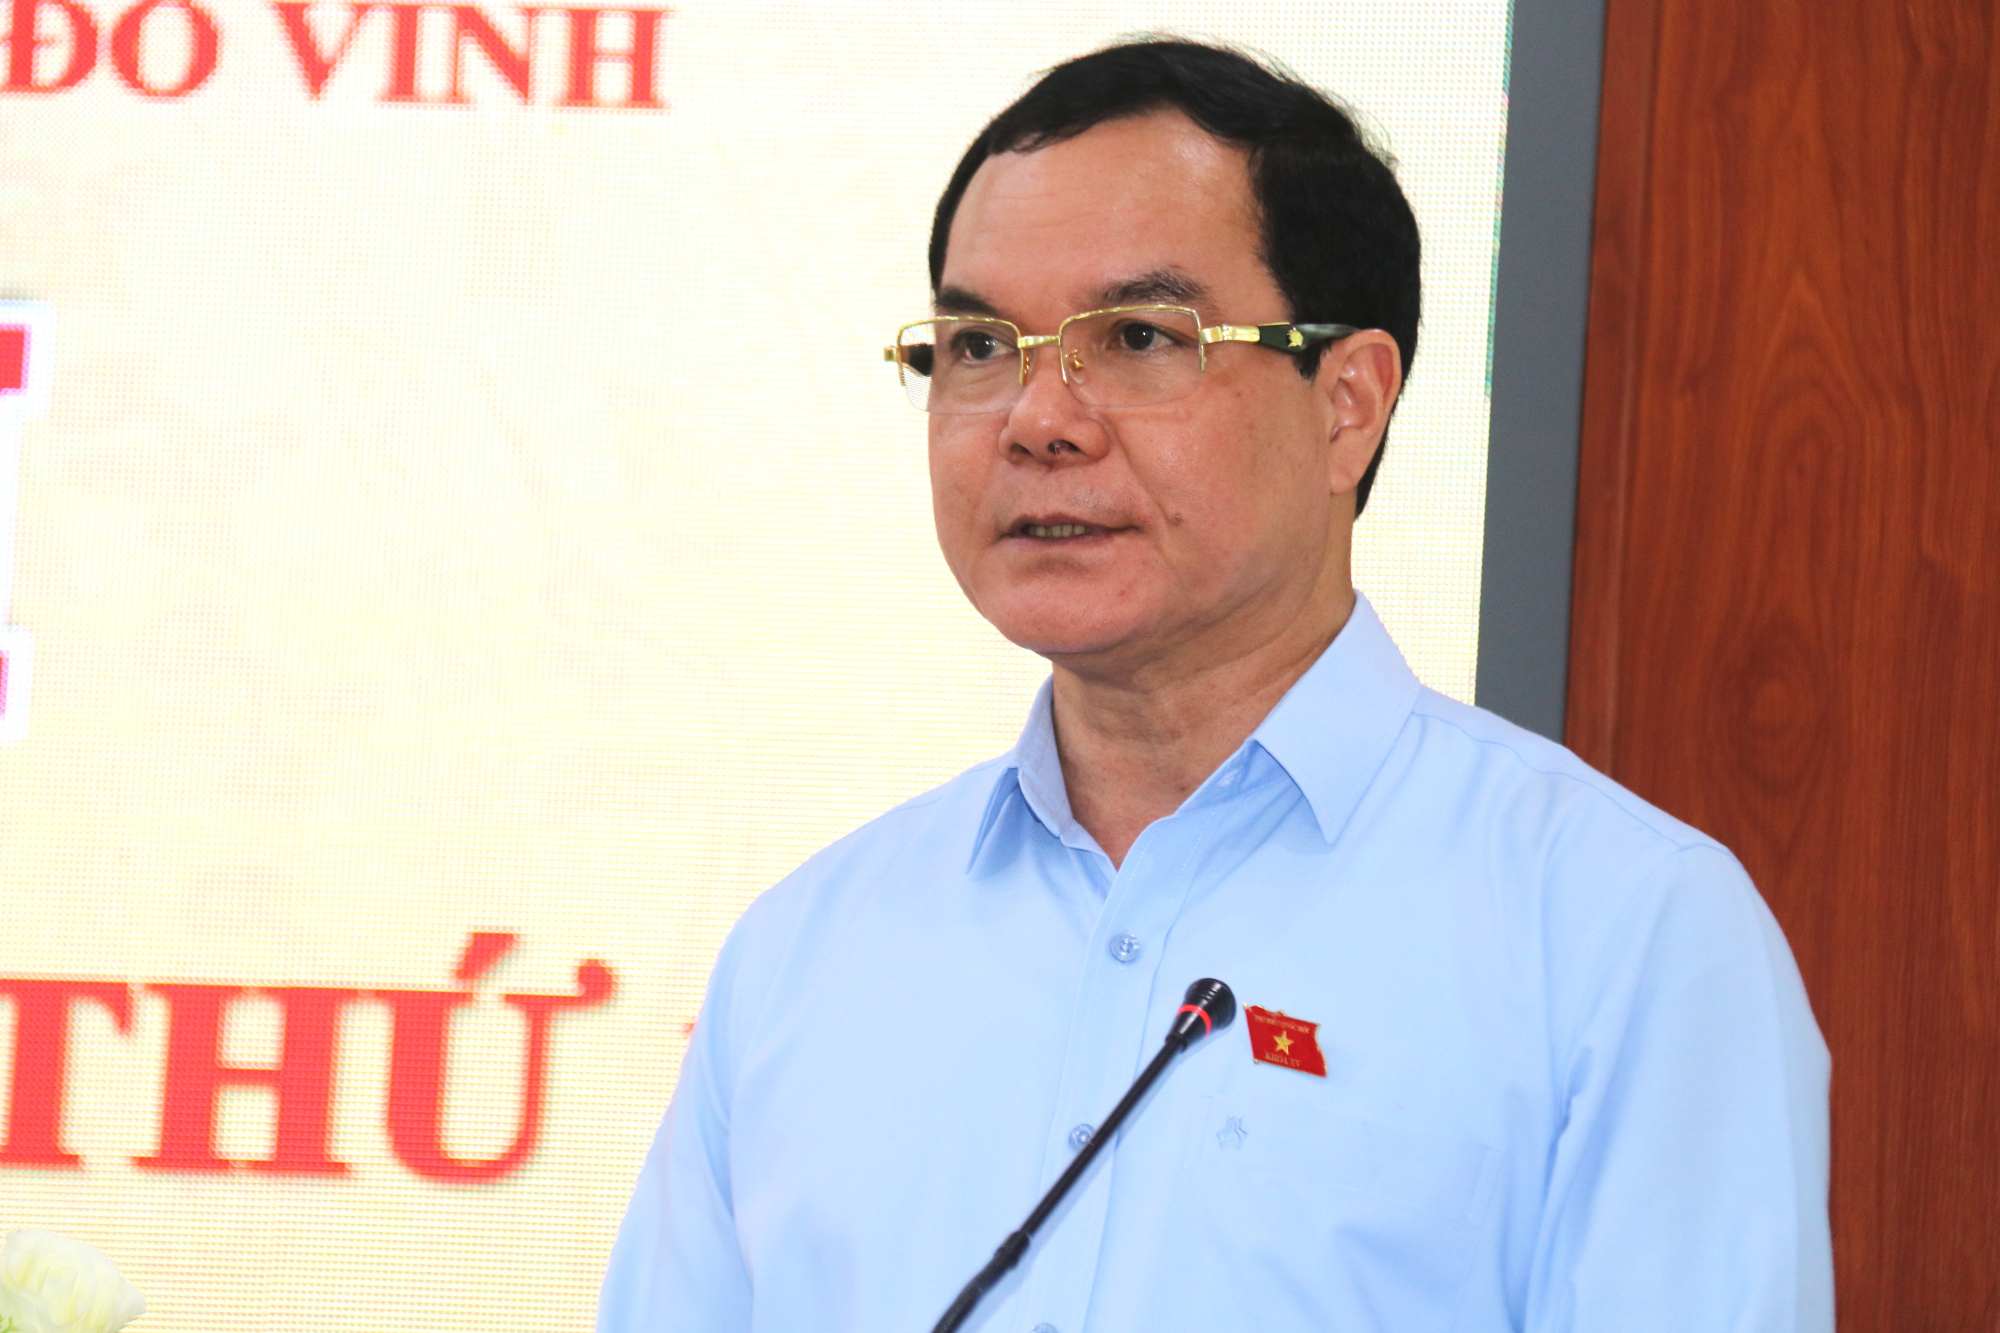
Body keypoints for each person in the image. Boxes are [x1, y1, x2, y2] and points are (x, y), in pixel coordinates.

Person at [599, 39, 1833, 1333]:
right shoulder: (808, 955)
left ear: (1347, 403)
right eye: (977, 345)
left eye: (1135, 337)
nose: (1036, 417)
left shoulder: (1623, 938)